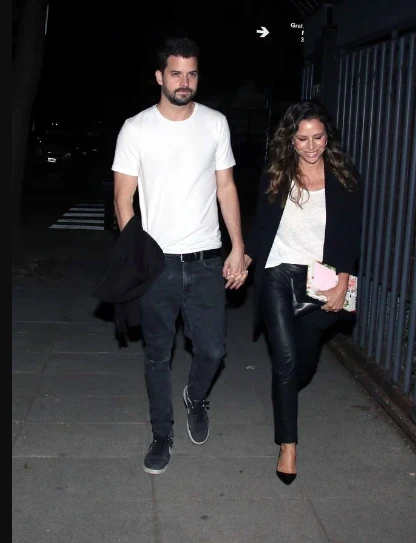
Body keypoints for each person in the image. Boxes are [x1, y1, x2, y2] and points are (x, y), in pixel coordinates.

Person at [111, 36, 248, 475]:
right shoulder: (136, 128)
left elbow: (226, 186)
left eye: (191, 74)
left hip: (207, 260)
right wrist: (136, 254)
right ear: (159, 77)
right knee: (157, 354)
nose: (184, 82)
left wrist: (238, 247)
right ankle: (161, 433)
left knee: (213, 349)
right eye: (176, 73)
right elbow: (123, 198)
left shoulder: (215, 123)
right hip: (158, 264)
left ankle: (196, 396)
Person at [244, 101, 362, 485]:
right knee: (286, 359)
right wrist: (243, 257)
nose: (311, 146)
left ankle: (285, 395)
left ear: (328, 137)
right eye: (302, 139)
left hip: (320, 279)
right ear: (290, 140)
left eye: (318, 137)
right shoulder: (276, 174)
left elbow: (349, 236)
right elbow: (262, 227)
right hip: (277, 273)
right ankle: (288, 446)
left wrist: (342, 281)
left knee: (304, 365)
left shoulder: (345, 177)